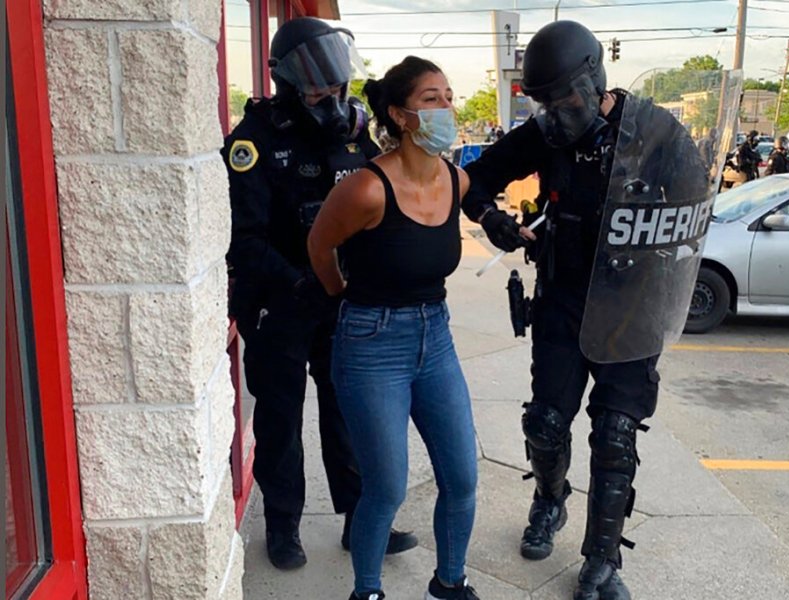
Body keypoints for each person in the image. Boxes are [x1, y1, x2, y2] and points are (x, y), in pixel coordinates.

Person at [463, 20, 706, 600]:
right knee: (545, 425)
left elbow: (696, 215)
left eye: (566, 98)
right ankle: (550, 500)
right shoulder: (545, 134)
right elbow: (473, 182)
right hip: (563, 301)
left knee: (617, 434)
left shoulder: (657, 132)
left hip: (633, 307)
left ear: (595, 78)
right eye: (544, 102)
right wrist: (495, 221)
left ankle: (603, 559)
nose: (557, 112)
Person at [222, 17, 417, 571]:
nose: (330, 97)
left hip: (340, 305)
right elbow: (243, 240)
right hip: (278, 305)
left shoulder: (354, 135)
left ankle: (362, 522)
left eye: (336, 85)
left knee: (351, 414)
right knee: (281, 420)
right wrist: (301, 279)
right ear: (287, 83)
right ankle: (283, 526)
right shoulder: (253, 142)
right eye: (316, 87)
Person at [308, 56, 480, 600]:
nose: (447, 108)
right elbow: (319, 246)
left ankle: (450, 582)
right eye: (432, 98)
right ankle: (368, 591)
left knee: (462, 478)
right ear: (401, 115)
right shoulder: (366, 188)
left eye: (449, 96)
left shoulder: (458, 180)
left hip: (437, 337)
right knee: (385, 487)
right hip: (371, 343)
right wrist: (344, 298)